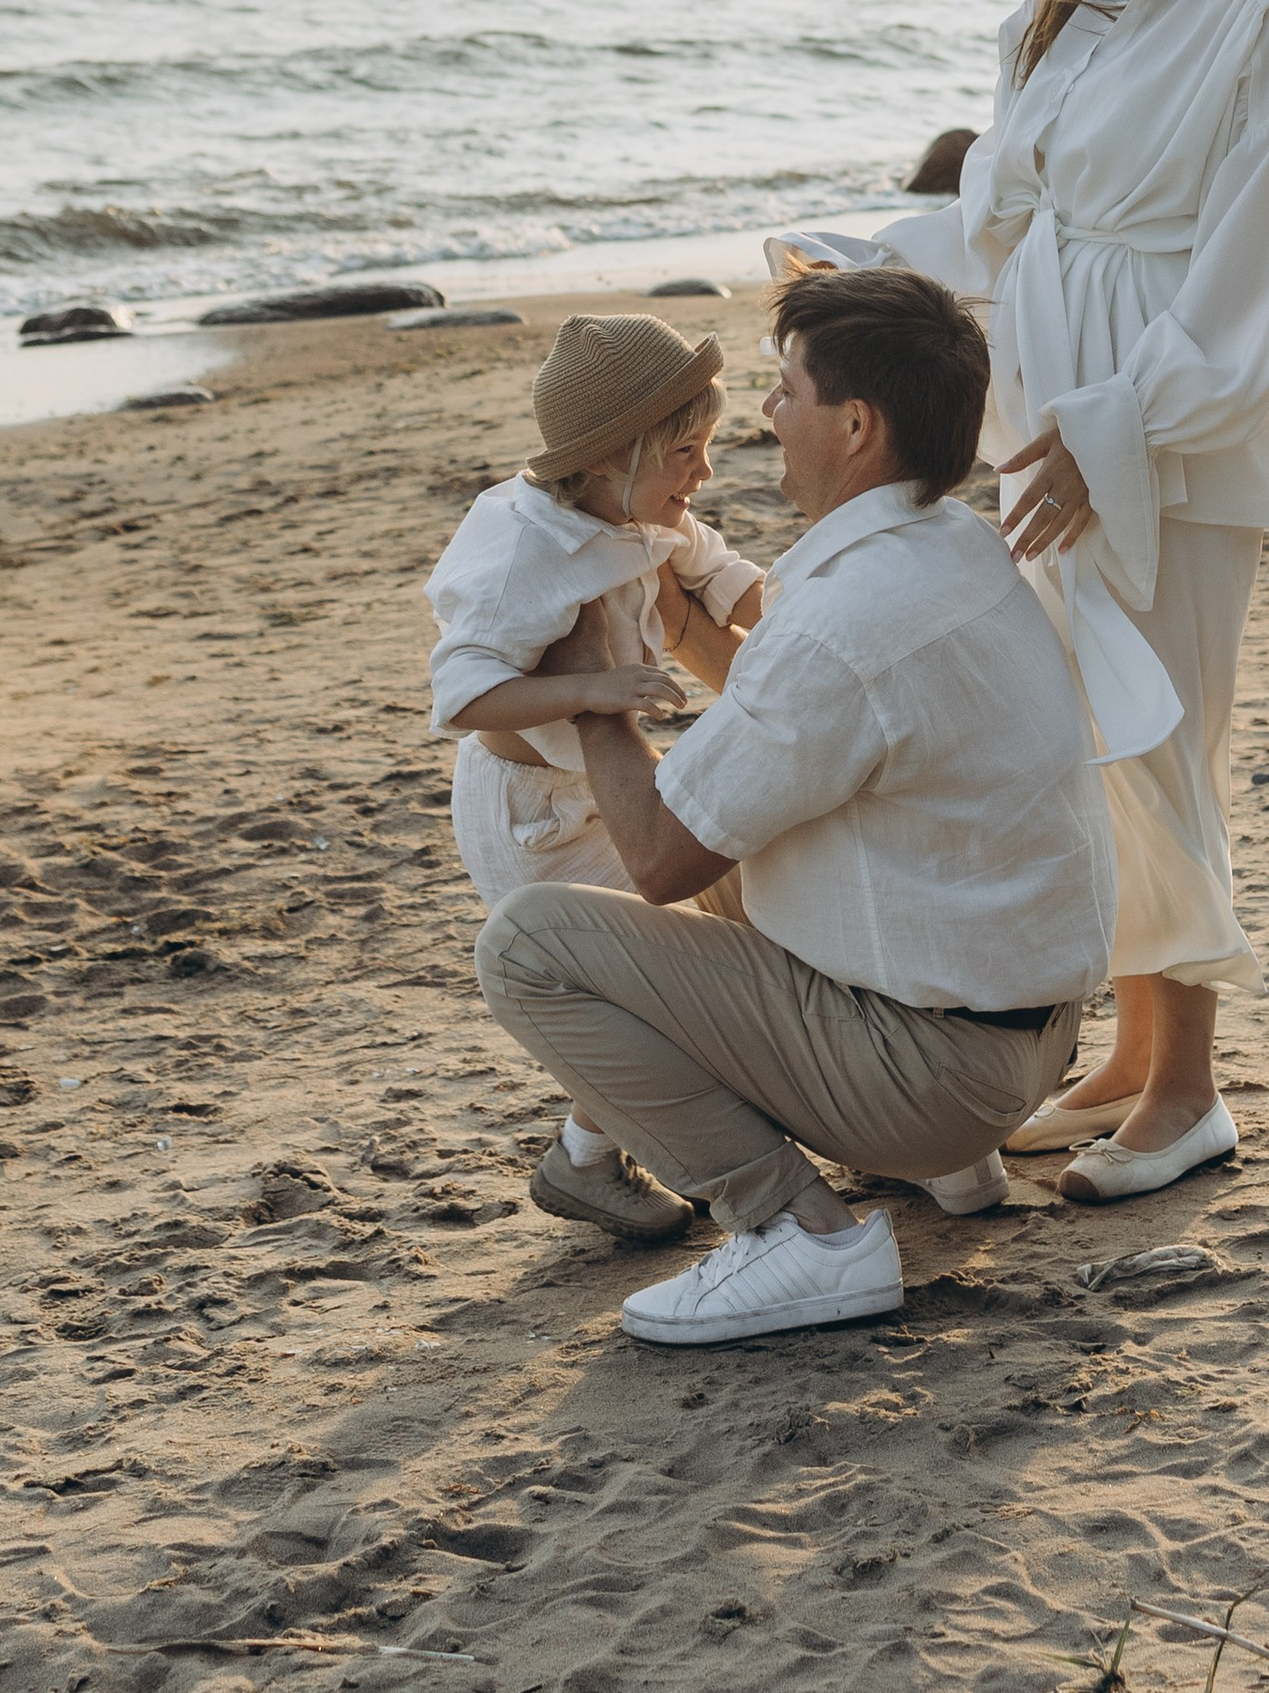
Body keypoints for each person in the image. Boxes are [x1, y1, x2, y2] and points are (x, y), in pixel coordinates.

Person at [776, 0, 1269, 1200]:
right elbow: (1007, 205)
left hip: (1165, 405)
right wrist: (874, 266)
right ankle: (1128, 1057)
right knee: (1084, 739)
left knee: (1161, 732)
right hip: (1049, 391)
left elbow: (1255, 259)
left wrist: (1122, 425)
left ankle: (1191, 1095)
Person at [473, 267, 1116, 1348]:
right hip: (1024, 1037)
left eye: (787, 390)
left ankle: (798, 1231)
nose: (767, 414)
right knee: (744, 831)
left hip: (933, 1081)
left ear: (856, 425)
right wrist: (675, 617)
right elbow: (799, 719)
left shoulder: (841, 623)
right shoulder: (950, 542)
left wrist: (591, 691)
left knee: (528, 945)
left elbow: (661, 858)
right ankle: (952, 1171)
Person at [425, 313, 765, 1240]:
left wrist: (813, 620)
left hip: (599, 788)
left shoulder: (643, 512)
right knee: (642, 984)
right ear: (610, 459)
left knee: (690, 958)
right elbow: (461, 694)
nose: (705, 472)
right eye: (686, 452)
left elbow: (729, 580)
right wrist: (591, 689)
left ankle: (593, 1150)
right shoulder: (525, 552)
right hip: (530, 816)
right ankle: (584, 1162)